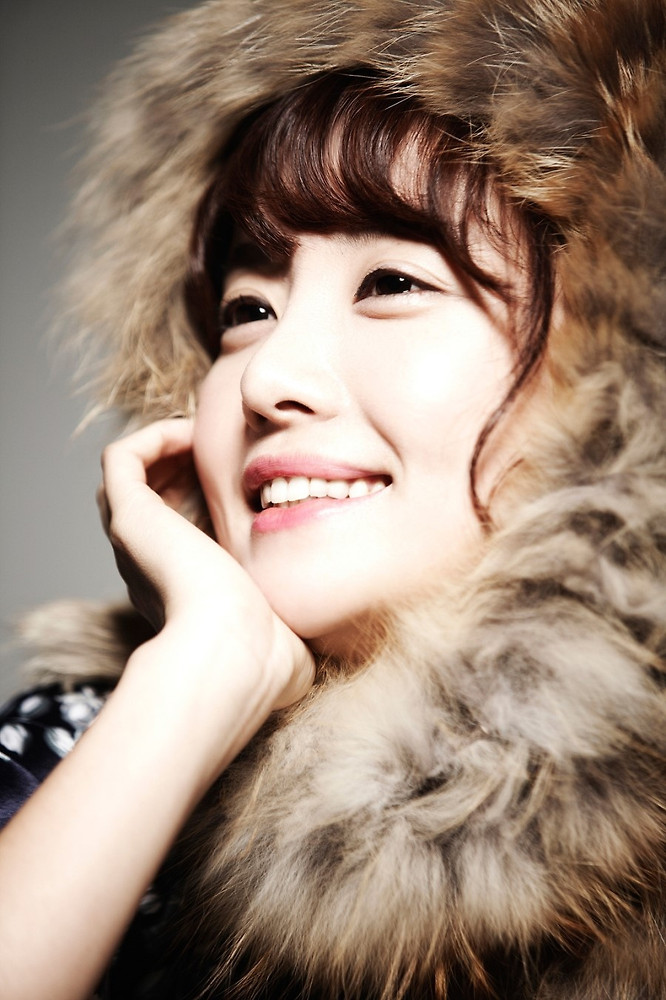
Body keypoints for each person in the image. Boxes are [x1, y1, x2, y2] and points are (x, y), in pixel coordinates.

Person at [0, 0, 665, 998]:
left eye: (391, 282)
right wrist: (201, 673)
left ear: (613, 378)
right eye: (247, 308)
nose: (269, 377)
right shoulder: (85, 748)